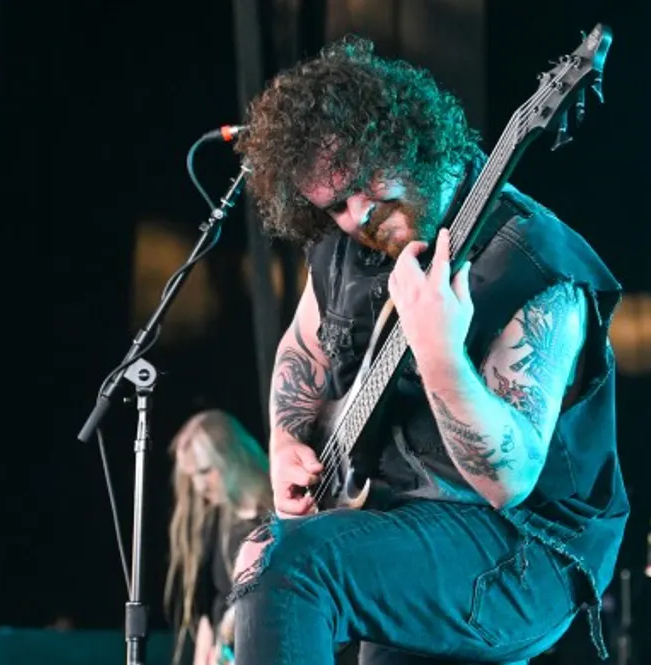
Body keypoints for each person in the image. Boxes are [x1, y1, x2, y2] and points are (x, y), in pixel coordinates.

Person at [224, 36, 628, 665]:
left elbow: (509, 481)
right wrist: (284, 443)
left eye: (364, 183)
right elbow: (301, 347)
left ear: (409, 141)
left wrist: (440, 354)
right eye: (335, 206)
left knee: (279, 559)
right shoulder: (345, 247)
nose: (359, 215)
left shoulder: (535, 266)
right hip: (401, 525)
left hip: (523, 550)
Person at [165, 410, 271, 665]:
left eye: (205, 471)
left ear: (232, 456)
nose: (199, 486)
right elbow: (208, 609)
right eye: (193, 476)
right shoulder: (213, 523)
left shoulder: (284, 511)